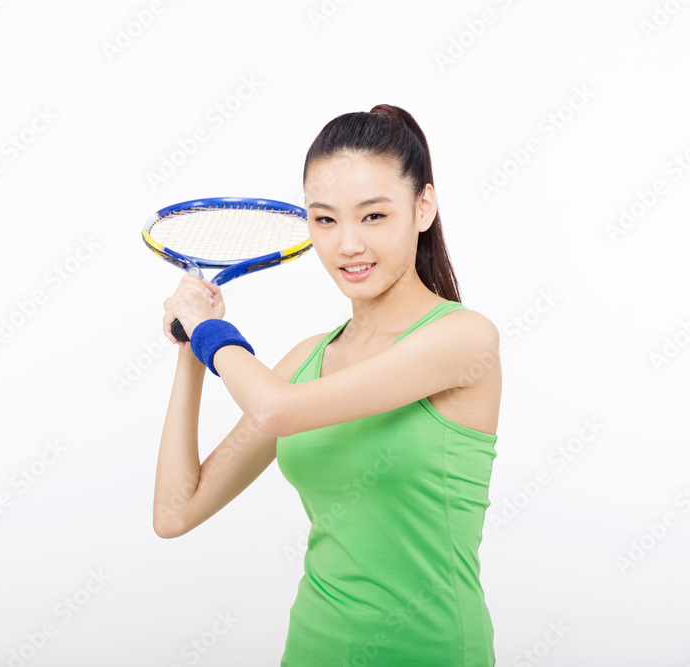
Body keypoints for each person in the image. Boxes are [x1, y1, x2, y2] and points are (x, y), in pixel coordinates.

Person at [153, 104, 502, 666]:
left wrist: (210, 330)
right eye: (325, 220)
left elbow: (273, 409)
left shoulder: (464, 340)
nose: (347, 246)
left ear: (423, 208)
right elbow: (175, 512)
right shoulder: (306, 360)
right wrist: (192, 350)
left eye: (373, 217)